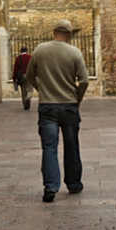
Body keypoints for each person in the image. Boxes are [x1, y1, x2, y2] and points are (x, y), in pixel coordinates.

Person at [25, 19, 89, 202]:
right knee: (71, 145)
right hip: (69, 106)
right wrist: (77, 98)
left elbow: (30, 75)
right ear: (69, 35)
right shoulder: (74, 52)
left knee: (49, 147)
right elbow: (84, 81)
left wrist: (41, 89)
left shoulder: (40, 50)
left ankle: (50, 186)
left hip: (47, 106)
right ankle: (74, 183)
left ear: (53, 31)